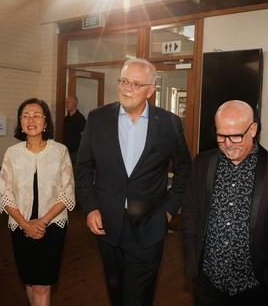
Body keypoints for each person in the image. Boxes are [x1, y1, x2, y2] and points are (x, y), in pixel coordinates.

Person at [76, 58, 191, 306]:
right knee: (116, 295)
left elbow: (184, 170)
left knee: (138, 299)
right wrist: (90, 207)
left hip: (150, 226)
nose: (127, 88)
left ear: (151, 90)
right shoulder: (97, 119)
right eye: (124, 81)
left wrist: (169, 210)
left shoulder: (169, 124)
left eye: (136, 84)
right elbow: (83, 167)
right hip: (107, 225)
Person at [182, 100, 268, 306]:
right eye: (221, 135)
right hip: (208, 283)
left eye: (235, 136)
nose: (227, 143)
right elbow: (190, 214)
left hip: (256, 285)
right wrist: (193, 261)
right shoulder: (202, 163)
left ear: (253, 129)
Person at [0, 98, 76, 306]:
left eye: (36, 115)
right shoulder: (12, 154)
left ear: (46, 122)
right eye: (25, 116)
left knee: (43, 284)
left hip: (52, 226)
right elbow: (6, 195)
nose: (30, 120)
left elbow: (67, 192)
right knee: (30, 281)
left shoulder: (60, 151)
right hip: (19, 225)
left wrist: (41, 222)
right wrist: (25, 224)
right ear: (20, 123)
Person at [63, 95, 86, 166]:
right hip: (66, 150)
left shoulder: (80, 118)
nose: (66, 104)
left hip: (76, 152)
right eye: (66, 102)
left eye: (68, 102)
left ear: (75, 103)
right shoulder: (66, 119)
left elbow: (84, 136)